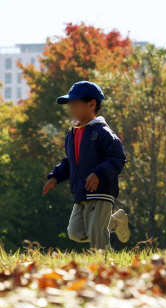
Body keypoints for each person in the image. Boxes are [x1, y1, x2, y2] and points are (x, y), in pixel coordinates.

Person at [43, 81, 130, 249]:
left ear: (91, 104)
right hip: (81, 191)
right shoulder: (72, 134)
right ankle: (113, 223)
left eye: (75, 104)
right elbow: (70, 161)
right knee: (75, 232)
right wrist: (56, 176)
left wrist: (98, 173)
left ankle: (104, 265)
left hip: (100, 191)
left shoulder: (103, 133)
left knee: (97, 237)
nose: (70, 108)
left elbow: (117, 158)